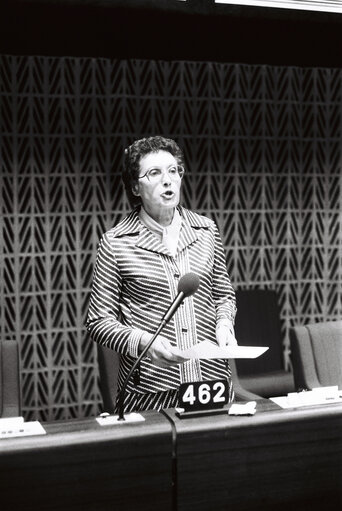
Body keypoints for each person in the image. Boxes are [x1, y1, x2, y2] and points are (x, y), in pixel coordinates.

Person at [86, 136, 237, 413]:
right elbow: (98, 322)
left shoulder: (206, 231)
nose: (168, 180)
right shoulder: (116, 242)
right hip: (151, 392)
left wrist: (225, 323)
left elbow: (223, 294)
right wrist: (144, 341)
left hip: (211, 383)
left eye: (173, 171)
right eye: (154, 173)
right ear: (135, 186)